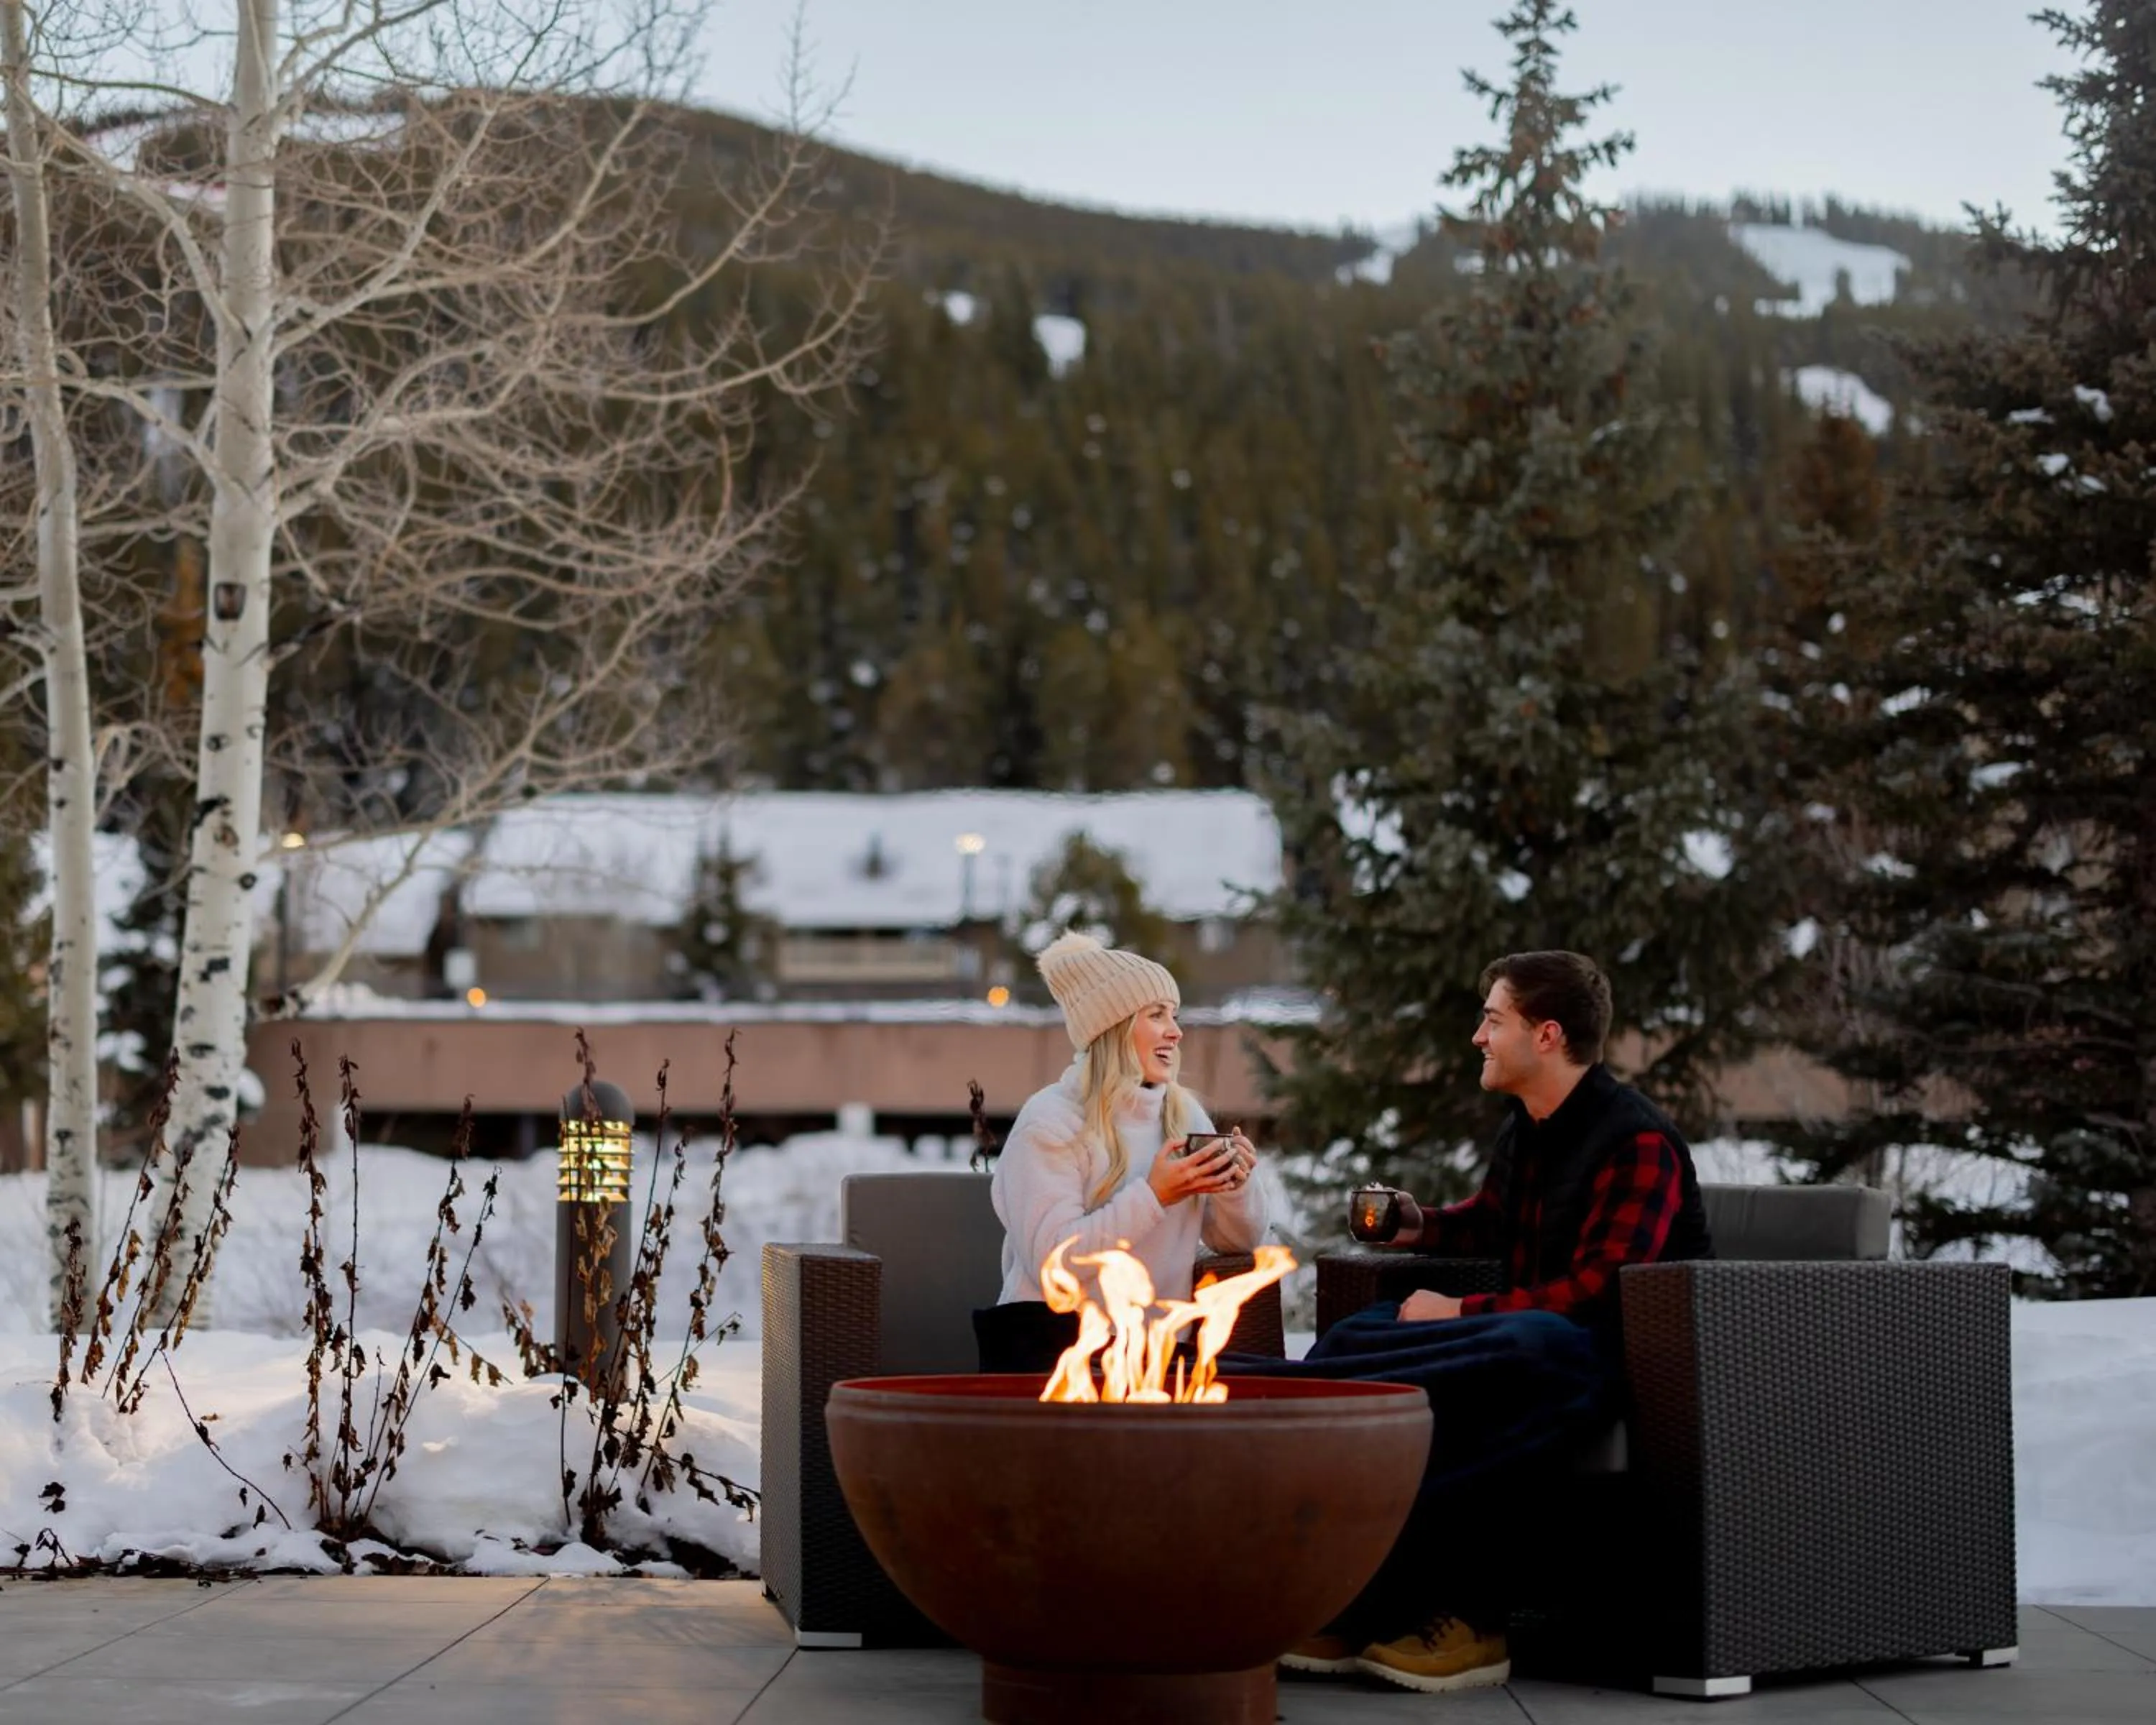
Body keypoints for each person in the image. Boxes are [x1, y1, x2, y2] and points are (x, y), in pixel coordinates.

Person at [1269, 950, 1714, 1696]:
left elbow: (1600, 1290)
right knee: (1363, 1333)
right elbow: (1496, 1223)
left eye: (1492, 1019)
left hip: (1617, 1361)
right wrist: (1418, 1228)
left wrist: (1459, 1309)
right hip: (1527, 1339)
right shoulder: (1528, 1128)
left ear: (1546, 1036)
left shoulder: (1637, 1140)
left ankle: (1472, 1622)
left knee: (1524, 1348)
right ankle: (1360, 1591)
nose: (1478, 1036)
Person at [977, 931, 1269, 1372]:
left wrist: (1234, 1187)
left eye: (1174, 1015)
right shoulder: (1051, 1121)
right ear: (1113, 1029)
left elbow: (1237, 1242)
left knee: (1268, 1387)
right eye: (1157, 1015)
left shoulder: (1182, 1114)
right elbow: (1055, 1268)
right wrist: (1154, 1197)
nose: (1176, 1031)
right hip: (1054, 1348)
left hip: (1153, 1350)